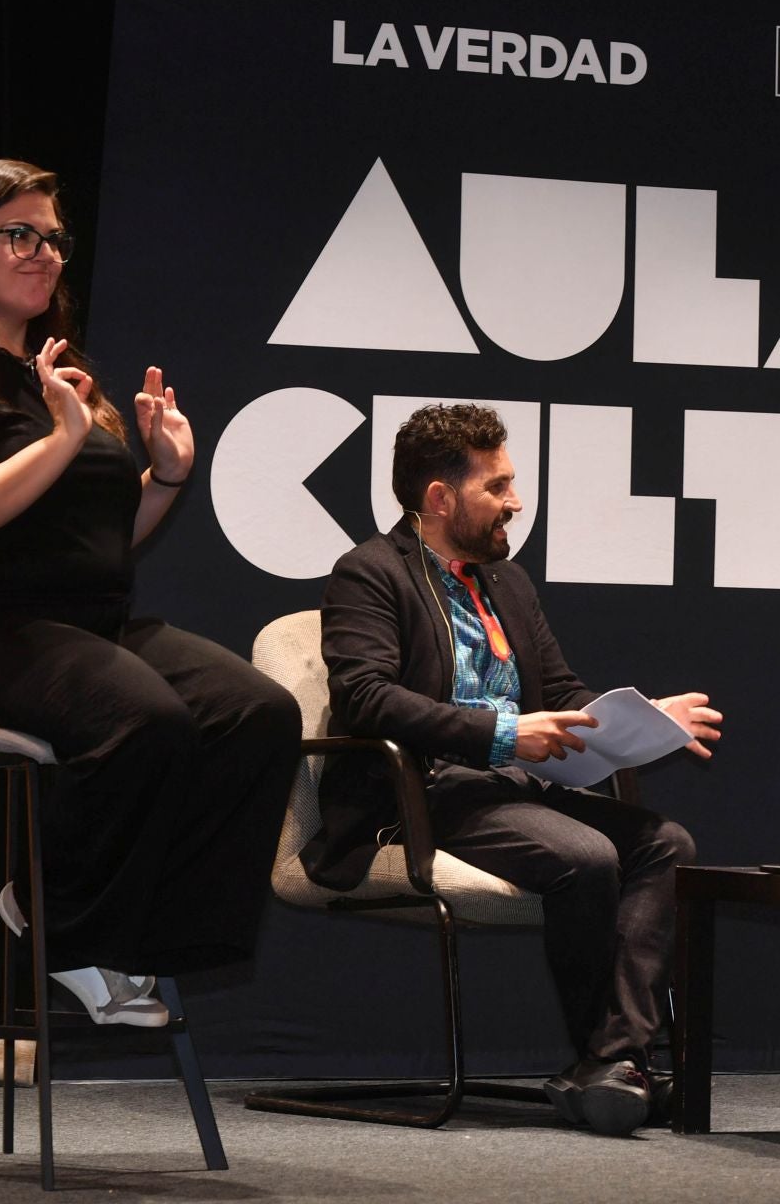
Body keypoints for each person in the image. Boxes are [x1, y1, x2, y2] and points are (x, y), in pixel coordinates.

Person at [0, 159, 298, 1025]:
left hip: (83, 625)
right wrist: (63, 439)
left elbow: (93, 540)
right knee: (144, 716)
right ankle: (61, 920)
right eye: (19, 234)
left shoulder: (57, 375)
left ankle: (142, 938)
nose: (44, 253)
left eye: (53, 239)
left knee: (257, 712)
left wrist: (167, 478)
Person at [302, 404, 723, 1136]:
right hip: (420, 792)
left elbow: (556, 693)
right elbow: (365, 698)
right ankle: (615, 1064)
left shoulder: (507, 583)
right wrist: (499, 733)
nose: (515, 502)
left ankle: (611, 1059)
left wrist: (640, 717)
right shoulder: (369, 574)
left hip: (507, 790)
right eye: (497, 486)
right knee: (584, 857)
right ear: (439, 497)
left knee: (669, 844)